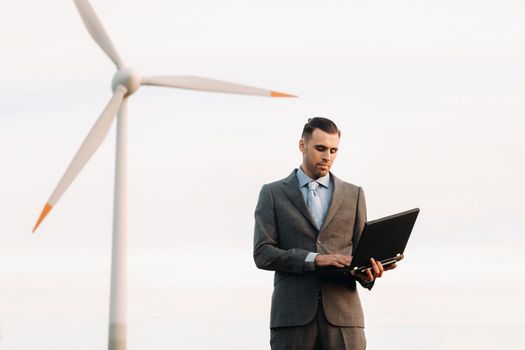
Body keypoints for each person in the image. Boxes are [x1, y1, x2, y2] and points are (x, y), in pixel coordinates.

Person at [253, 117, 396, 350]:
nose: (327, 156)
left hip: (344, 321)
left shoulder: (354, 194)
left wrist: (367, 273)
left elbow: (360, 255)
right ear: (302, 145)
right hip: (292, 320)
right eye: (320, 148)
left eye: (333, 150)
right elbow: (263, 253)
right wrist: (315, 259)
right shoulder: (272, 193)